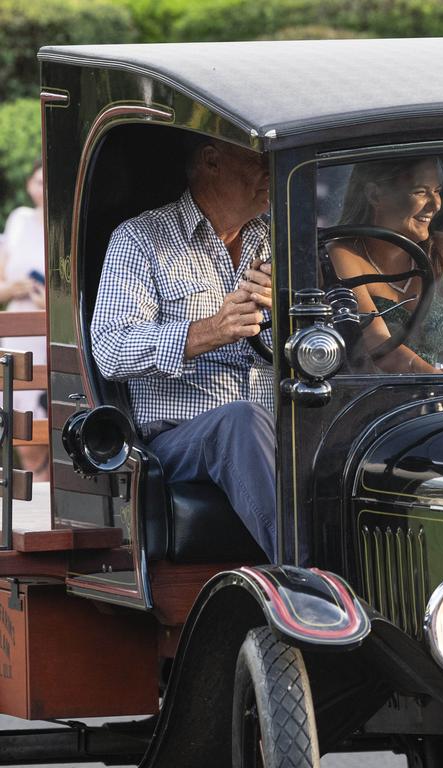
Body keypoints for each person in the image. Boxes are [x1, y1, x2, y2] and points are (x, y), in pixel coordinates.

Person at [91, 136, 277, 562]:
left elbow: (321, 349)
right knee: (240, 421)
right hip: (178, 441)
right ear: (212, 161)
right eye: (259, 160)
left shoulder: (280, 240)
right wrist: (211, 330)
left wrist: (283, 315)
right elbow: (110, 347)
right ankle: (316, 582)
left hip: (279, 434)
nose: (272, 171)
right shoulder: (141, 239)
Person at [328, 158, 443, 373]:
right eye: (420, 192)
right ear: (375, 195)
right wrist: (437, 381)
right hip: (376, 400)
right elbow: (378, 344)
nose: (435, 204)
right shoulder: (343, 254)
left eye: (437, 191)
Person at [0, 161, 49, 480]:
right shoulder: (18, 219)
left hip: (45, 337)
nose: (41, 186)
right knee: (19, 429)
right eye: (37, 179)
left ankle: (47, 500)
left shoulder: (63, 226)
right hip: (16, 337)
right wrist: (13, 288)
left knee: (45, 428)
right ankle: (34, 493)